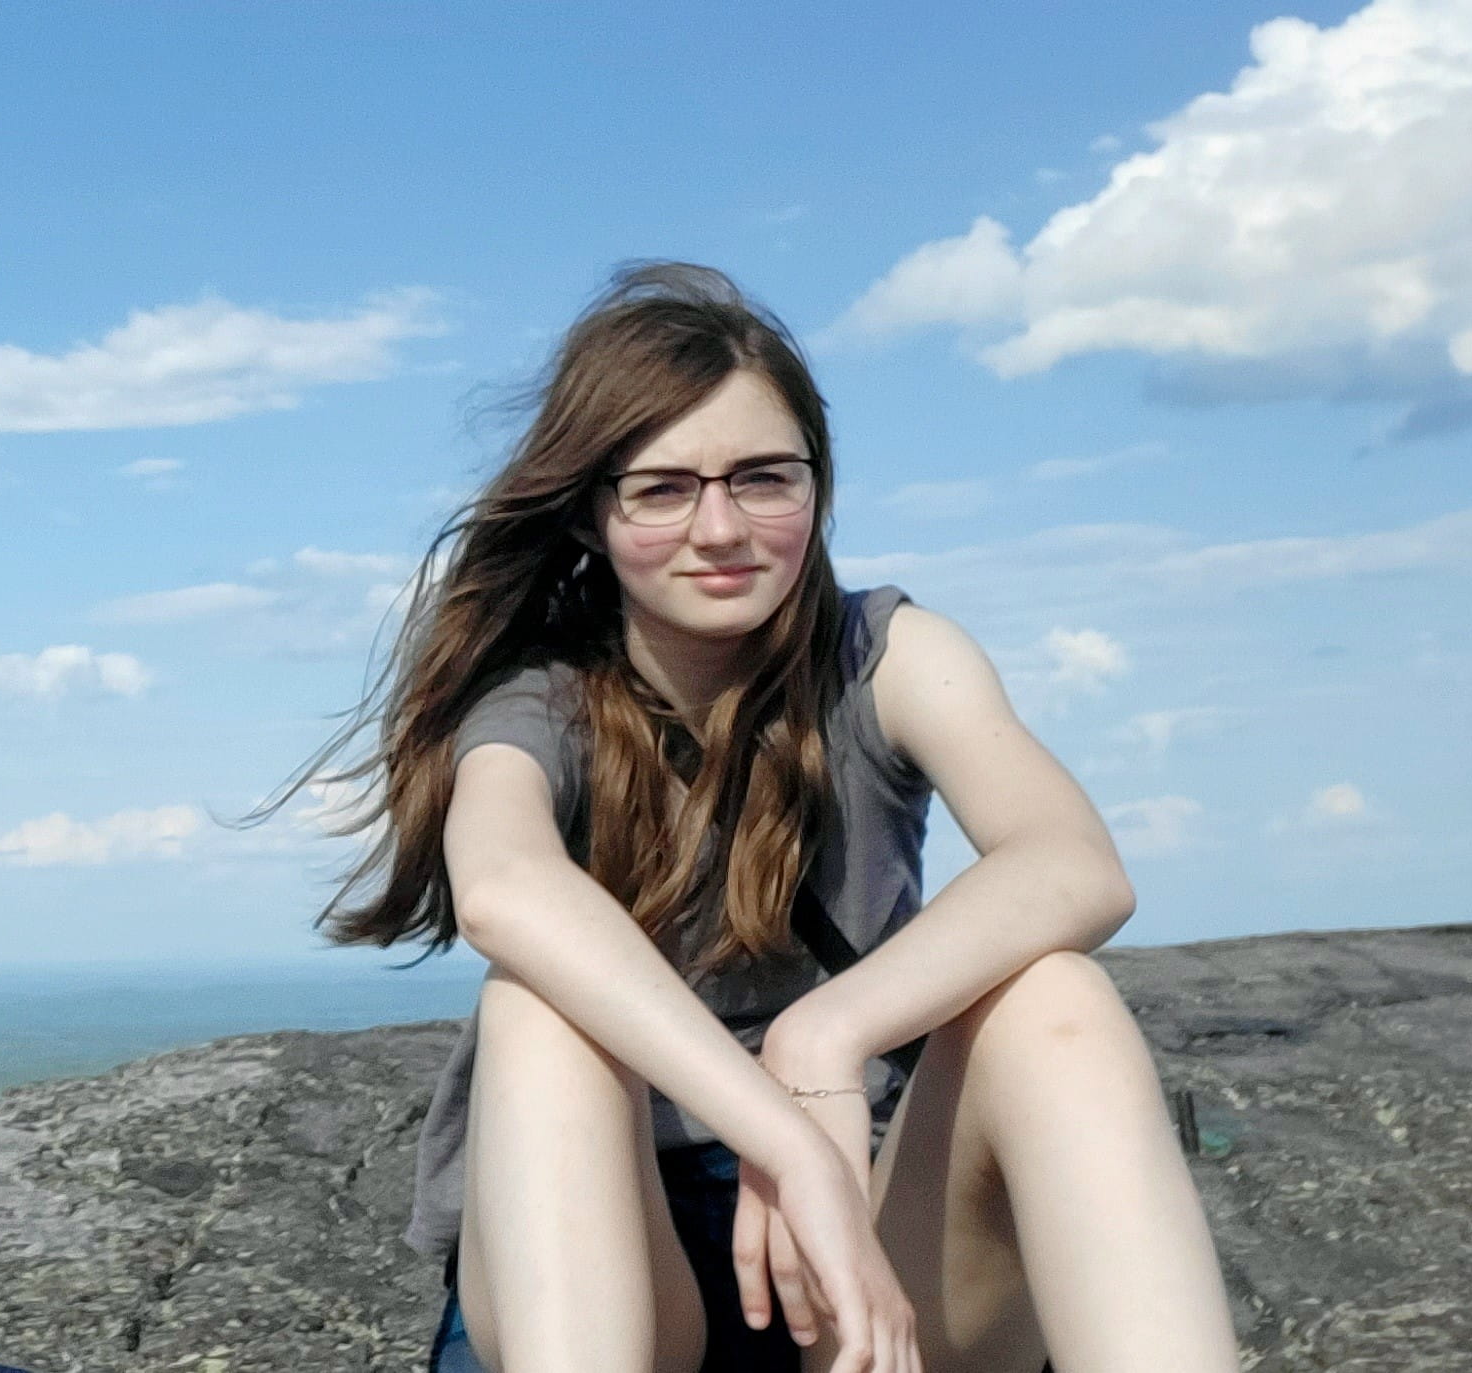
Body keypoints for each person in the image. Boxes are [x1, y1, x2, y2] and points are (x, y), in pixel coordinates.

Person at [280, 263, 1241, 1373]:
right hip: (614, 1277)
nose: (722, 527)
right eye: (661, 489)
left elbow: (1073, 864)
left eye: (763, 478)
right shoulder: (536, 701)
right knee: (535, 1012)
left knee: (1054, 997)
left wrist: (821, 1038)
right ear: (590, 512)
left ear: (817, 485)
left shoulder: (888, 656)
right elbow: (503, 886)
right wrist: (777, 1129)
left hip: (870, 1238)